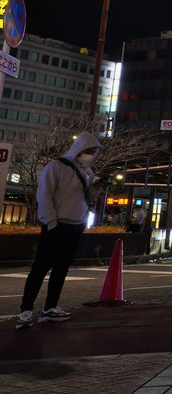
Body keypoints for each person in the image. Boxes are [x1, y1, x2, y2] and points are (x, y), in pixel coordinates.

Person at [17, 131, 103, 330]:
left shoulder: (87, 172)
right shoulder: (55, 167)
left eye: (92, 152)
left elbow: (86, 199)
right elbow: (44, 195)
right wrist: (51, 222)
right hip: (56, 225)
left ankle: (50, 308)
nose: (89, 154)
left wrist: (96, 188)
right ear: (78, 148)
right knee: (40, 268)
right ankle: (25, 311)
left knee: (61, 269)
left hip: (75, 226)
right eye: (87, 150)